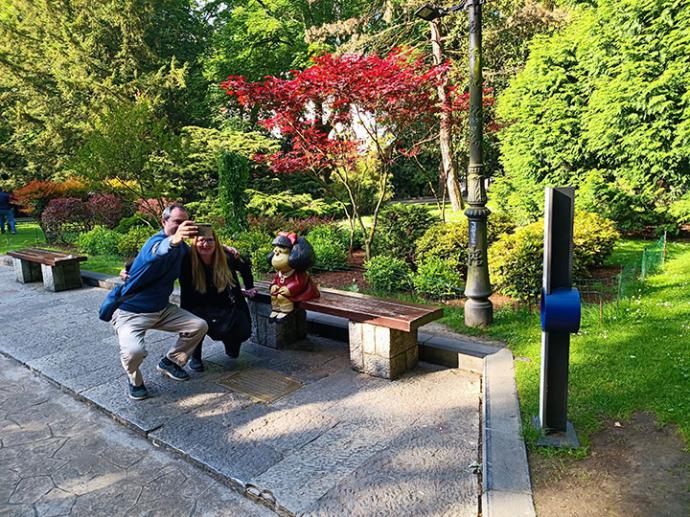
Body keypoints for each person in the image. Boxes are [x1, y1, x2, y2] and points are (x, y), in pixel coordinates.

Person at [110, 204, 208, 401]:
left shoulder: (181, 248)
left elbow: (200, 253)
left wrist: (223, 249)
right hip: (132, 313)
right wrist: (173, 240)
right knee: (134, 351)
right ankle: (134, 380)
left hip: (162, 310)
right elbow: (156, 252)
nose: (181, 226)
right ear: (164, 222)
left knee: (199, 326)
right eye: (176, 222)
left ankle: (170, 362)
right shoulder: (156, 242)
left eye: (185, 223)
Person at [179, 229, 257, 372]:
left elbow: (245, 265)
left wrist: (250, 286)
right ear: (194, 243)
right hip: (198, 305)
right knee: (197, 325)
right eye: (201, 240)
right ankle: (195, 356)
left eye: (210, 240)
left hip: (225, 302)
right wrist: (129, 270)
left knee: (244, 330)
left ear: (216, 242)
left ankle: (231, 342)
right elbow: (160, 263)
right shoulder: (187, 260)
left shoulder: (226, 257)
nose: (206, 244)